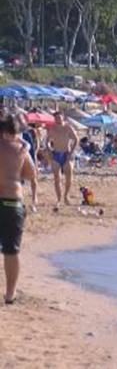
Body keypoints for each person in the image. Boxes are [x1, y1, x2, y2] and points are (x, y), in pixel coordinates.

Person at [0, 113, 37, 304]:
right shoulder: (21, 148)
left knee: (11, 251)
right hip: (12, 201)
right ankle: (9, 294)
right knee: (11, 251)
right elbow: (31, 173)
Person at [46, 111, 79, 205]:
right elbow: (47, 141)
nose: (58, 120)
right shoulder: (52, 128)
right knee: (57, 178)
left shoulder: (68, 128)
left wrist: (71, 152)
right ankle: (59, 199)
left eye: (59, 118)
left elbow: (76, 139)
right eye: (56, 118)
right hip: (56, 154)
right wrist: (49, 150)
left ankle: (66, 196)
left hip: (66, 154)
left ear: (63, 118)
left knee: (69, 177)